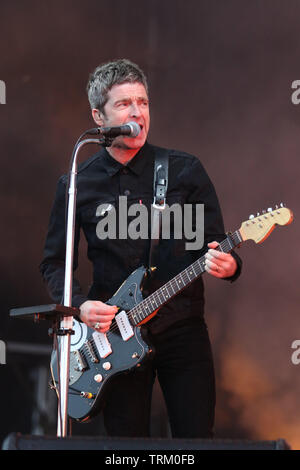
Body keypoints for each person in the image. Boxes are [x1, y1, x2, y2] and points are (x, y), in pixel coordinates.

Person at [40, 59, 242, 438]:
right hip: (114, 339)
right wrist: (80, 306)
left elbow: (215, 247)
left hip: (182, 329)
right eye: (124, 104)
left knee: (197, 440)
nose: (137, 112)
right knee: (126, 446)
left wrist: (229, 265)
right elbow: (54, 263)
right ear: (99, 117)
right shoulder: (77, 183)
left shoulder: (185, 171)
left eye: (143, 102)